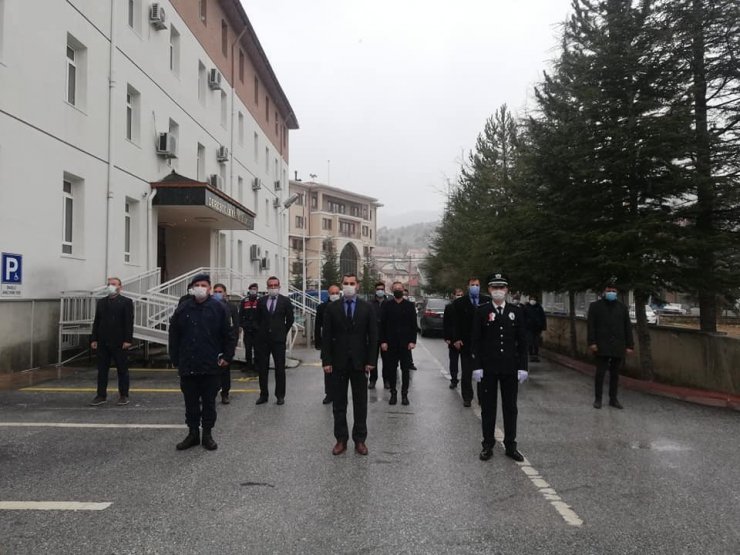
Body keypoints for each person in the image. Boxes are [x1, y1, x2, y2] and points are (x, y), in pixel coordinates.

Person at [169, 273, 236, 451]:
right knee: (190, 402)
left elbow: (229, 335)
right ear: (192, 287)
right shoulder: (183, 308)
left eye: (204, 285)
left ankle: (207, 434)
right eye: (197, 284)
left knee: (208, 402)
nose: (200, 288)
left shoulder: (219, 307)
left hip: (210, 365)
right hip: (188, 365)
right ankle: (192, 434)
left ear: (209, 287)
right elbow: (174, 334)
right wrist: (175, 358)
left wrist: (227, 357)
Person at [471, 273, 528, 462]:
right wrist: (476, 366)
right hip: (488, 367)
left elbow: (522, 341)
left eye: (501, 288)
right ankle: (487, 445)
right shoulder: (482, 311)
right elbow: (476, 341)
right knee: (488, 407)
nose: (498, 291)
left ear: (507, 290)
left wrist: (523, 367)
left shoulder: (516, 311)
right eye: (494, 288)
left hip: (510, 367)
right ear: (489, 289)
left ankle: (511, 445)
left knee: (510, 407)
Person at [321, 273, 378, 456]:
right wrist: (326, 361)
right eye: (345, 283)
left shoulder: (367, 308)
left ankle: (360, 440)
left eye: (352, 283)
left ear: (358, 286)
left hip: (360, 363)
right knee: (339, 403)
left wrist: (371, 361)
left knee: (360, 403)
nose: (348, 286)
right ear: (341, 285)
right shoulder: (332, 308)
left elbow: (373, 336)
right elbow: (326, 336)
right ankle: (341, 439)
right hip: (338, 363)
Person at [587, 279, 634, 409]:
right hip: (601, 345)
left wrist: (630, 345)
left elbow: (627, 327)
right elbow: (591, 326)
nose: (611, 293)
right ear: (604, 292)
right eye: (609, 291)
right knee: (600, 373)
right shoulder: (595, 306)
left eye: (613, 291)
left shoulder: (622, 307)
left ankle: (613, 399)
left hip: (618, 345)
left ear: (617, 292)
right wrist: (592, 342)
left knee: (615, 374)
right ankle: (598, 399)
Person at [89, 277, 134, 407]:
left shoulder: (126, 302)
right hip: (103, 341)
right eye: (109, 284)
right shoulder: (102, 302)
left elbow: (128, 322)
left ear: (120, 287)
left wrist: (127, 339)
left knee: (122, 369)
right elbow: (97, 321)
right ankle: (101, 395)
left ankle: (124, 395)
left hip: (119, 342)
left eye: (113, 284)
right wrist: (94, 338)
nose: (110, 286)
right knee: (102, 370)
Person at [451, 277, 491, 407]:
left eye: (477, 285)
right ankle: (467, 397)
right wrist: (456, 339)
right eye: (472, 285)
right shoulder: (460, 303)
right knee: (467, 372)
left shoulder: (487, 301)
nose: (475, 287)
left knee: (482, 373)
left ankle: (482, 397)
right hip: (466, 342)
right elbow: (455, 323)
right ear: (468, 287)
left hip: (483, 343)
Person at [254, 276, 294, 405]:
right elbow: (256, 319)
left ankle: (280, 395)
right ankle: (263, 394)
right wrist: (260, 332)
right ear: (267, 287)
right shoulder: (261, 301)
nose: (273, 288)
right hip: (263, 340)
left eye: (275, 285)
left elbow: (290, 320)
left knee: (280, 368)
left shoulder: (285, 301)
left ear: (279, 286)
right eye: (270, 285)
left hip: (278, 340)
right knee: (262, 368)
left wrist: (282, 332)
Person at [380, 282, 418, 405]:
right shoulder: (387, 305)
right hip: (390, 343)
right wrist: (383, 341)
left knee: (405, 369)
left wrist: (413, 341)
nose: (397, 290)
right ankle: (393, 393)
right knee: (391, 369)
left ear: (404, 290)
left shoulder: (409, 305)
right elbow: (382, 325)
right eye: (395, 288)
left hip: (405, 344)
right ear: (392, 290)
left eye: (400, 288)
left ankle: (404, 394)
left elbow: (413, 325)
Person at [213, 283, 239, 404]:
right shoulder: (210, 306)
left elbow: (235, 327)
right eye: (215, 291)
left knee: (225, 370)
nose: (217, 294)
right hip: (212, 343)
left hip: (225, 343)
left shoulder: (231, 307)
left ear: (224, 293)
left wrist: (232, 345)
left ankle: (225, 393)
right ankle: (210, 394)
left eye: (220, 291)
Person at [315, 284, 341, 404]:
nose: (335, 295)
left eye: (337, 292)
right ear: (329, 294)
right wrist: (318, 342)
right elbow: (317, 326)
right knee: (328, 369)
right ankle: (329, 394)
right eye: (332, 293)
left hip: (341, 342)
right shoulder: (322, 307)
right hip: (328, 342)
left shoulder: (343, 306)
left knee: (341, 370)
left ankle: (339, 393)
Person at [443, 288, 464, 389]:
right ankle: (454, 380)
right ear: (453, 295)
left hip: (464, 339)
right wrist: (446, 337)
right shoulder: (449, 307)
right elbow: (446, 323)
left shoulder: (466, 307)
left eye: (461, 295)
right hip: (452, 339)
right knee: (453, 361)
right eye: (457, 295)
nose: (459, 296)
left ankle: (465, 381)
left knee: (466, 363)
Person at [369, 281, 388, 389]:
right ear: (375, 290)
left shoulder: (388, 303)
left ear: (384, 290)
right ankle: (373, 380)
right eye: (378, 289)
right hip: (373, 336)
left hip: (385, 336)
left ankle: (386, 380)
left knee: (387, 360)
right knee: (372, 359)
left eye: (381, 289)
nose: (380, 291)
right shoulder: (370, 303)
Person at [238, 283, 260, 372]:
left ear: (257, 290)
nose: (253, 290)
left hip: (257, 329)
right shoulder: (244, 301)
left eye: (255, 289)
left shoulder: (260, 300)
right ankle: (248, 365)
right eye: (251, 289)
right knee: (248, 348)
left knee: (257, 348)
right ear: (249, 290)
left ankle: (257, 365)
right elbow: (240, 314)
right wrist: (241, 325)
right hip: (247, 329)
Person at [523, 295, 547, 362]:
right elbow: (523, 318)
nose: (532, 301)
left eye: (534, 299)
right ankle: (530, 355)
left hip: (537, 328)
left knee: (536, 342)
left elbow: (543, 317)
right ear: (529, 300)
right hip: (528, 328)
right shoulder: (526, 307)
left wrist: (543, 327)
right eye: (531, 299)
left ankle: (536, 356)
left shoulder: (539, 307)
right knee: (530, 342)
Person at [403, 287, 418, 370]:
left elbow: (413, 322)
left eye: (406, 294)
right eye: (403, 294)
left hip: (407, 332)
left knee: (408, 350)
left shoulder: (410, 305)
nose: (404, 296)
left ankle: (410, 363)